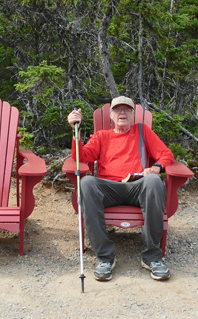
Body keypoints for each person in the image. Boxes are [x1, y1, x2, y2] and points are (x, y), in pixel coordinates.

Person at [67, 96, 174, 282]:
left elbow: (166, 154)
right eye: (118, 110)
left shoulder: (142, 131)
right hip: (110, 189)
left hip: (136, 186)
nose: (122, 113)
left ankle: (152, 257)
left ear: (133, 114)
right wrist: (75, 131)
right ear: (111, 115)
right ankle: (105, 258)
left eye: (126, 110)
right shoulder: (102, 136)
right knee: (86, 182)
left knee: (154, 181)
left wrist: (156, 168)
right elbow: (81, 156)